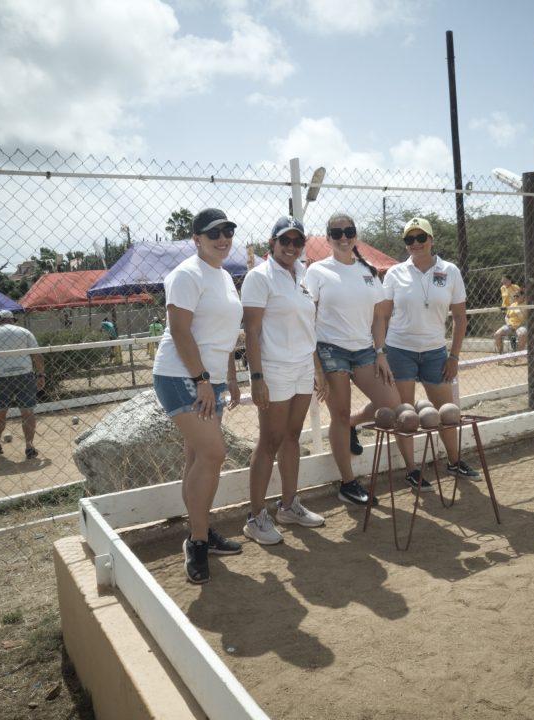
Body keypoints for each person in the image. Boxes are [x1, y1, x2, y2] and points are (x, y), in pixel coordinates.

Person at [152, 208, 243, 584]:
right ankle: (198, 541)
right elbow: (180, 332)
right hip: (181, 375)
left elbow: (224, 332)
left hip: (211, 378)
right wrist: (203, 379)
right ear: (196, 238)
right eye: (213, 233)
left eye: (227, 231)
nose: (222, 239)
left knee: (197, 458)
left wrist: (230, 377)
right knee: (213, 453)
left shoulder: (222, 276)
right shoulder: (186, 274)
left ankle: (201, 529)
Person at [305, 212, 413, 506]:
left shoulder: (367, 271)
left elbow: (379, 315)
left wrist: (381, 353)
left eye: (348, 231)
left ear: (355, 235)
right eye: (336, 233)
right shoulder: (316, 272)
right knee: (338, 415)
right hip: (331, 351)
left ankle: (355, 423)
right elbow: (308, 318)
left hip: (365, 350)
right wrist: (317, 367)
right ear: (327, 238)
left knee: (393, 406)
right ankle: (348, 483)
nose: (343, 238)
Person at [377, 217, 480, 491]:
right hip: (400, 350)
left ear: (431, 240)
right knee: (406, 416)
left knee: (447, 413)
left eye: (421, 237)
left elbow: (459, 317)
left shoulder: (450, 271)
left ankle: (454, 461)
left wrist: (454, 356)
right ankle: (412, 470)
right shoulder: (395, 273)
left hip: (436, 352)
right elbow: (383, 315)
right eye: (409, 239)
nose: (415, 244)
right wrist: (381, 352)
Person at [240, 216, 325, 545]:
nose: (291, 247)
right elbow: (252, 331)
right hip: (274, 369)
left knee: (292, 436)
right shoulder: (259, 277)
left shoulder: (303, 274)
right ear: (272, 243)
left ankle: (289, 505)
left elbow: (309, 327)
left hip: (303, 366)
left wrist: (317, 368)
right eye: (284, 240)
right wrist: (256, 376)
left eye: (297, 241)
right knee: (270, 440)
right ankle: (255, 517)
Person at [0, 310, 45, 459]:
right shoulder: (24, 332)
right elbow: (37, 355)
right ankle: (29, 446)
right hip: (24, 375)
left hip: (0, 377)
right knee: (27, 411)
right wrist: (40, 375)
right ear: (12, 320)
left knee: (0, 412)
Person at [493, 289, 528, 356]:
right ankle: (501, 354)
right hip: (510, 325)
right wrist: (508, 324)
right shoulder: (512, 305)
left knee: (522, 334)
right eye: (514, 296)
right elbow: (506, 317)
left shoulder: (526, 304)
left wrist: (520, 323)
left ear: (523, 296)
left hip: (521, 325)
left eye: (517, 296)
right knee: (497, 334)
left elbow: (526, 318)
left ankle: (517, 355)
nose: (515, 297)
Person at [499, 274, 522, 351]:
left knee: (515, 326)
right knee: (509, 327)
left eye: (505, 280)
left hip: (514, 309)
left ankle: (516, 345)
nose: (503, 282)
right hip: (505, 310)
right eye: (503, 281)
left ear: (510, 280)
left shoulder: (515, 287)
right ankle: (513, 345)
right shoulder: (502, 288)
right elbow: (503, 299)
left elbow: (518, 297)